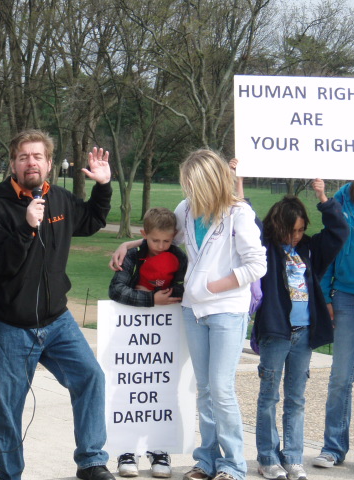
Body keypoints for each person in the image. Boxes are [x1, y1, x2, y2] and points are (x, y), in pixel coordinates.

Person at [111, 150, 266, 480]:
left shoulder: (239, 213)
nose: (188, 190)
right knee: (206, 389)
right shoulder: (186, 208)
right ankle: (206, 460)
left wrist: (213, 286)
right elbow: (167, 238)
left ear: (209, 182)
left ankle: (233, 465)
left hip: (226, 311)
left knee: (222, 389)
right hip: (193, 312)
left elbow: (257, 265)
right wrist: (130, 244)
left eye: (193, 184)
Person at [0, 129, 114, 480]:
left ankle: (91, 462)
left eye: (38, 156)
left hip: (57, 321)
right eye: (23, 157)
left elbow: (92, 220)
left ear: (50, 163)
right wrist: (26, 227)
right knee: (8, 408)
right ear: (13, 163)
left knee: (90, 378)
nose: (31, 163)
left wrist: (103, 187)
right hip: (12, 326)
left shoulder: (60, 199)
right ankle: (9, 475)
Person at [253, 182, 347, 480]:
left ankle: (293, 458)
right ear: (277, 226)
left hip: (304, 334)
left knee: (296, 398)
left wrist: (323, 199)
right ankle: (268, 458)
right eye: (290, 230)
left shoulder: (307, 248)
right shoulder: (265, 247)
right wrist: (238, 188)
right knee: (269, 397)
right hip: (275, 333)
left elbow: (338, 232)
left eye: (299, 230)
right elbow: (249, 224)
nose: (295, 237)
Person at [108, 206, 187, 478]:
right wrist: (152, 300)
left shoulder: (179, 257)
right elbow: (116, 290)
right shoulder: (133, 255)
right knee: (129, 389)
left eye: (167, 241)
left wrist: (165, 294)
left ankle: (159, 448)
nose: (161, 246)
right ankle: (126, 449)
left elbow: (183, 287)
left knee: (163, 389)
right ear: (144, 235)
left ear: (174, 237)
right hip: (131, 339)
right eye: (155, 241)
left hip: (166, 339)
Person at [312, 180, 354, 474]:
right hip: (346, 296)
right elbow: (331, 242)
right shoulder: (343, 195)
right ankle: (333, 447)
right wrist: (324, 294)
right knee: (340, 377)